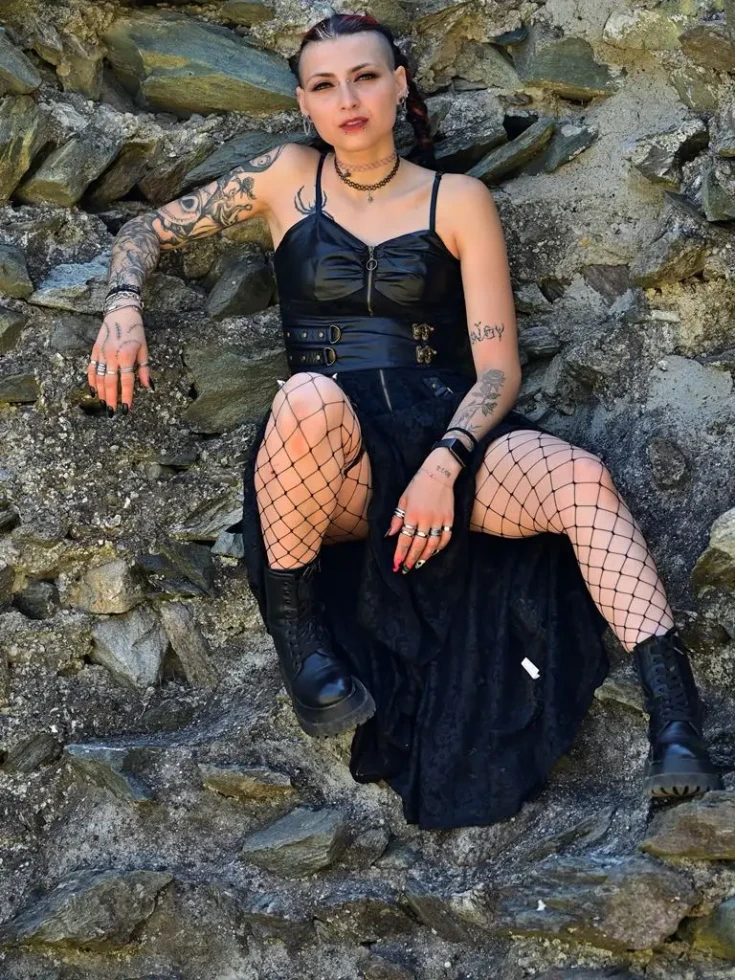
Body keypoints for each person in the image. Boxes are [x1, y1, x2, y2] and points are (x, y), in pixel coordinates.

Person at [88, 11, 722, 829]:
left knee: (579, 477)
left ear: (397, 85)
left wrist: (443, 463)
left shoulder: (458, 199)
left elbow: (497, 368)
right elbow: (146, 230)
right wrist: (123, 305)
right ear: (305, 104)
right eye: (325, 85)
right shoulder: (284, 178)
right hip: (331, 460)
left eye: (364, 77)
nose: (347, 99)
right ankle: (304, 651)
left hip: (445, 432)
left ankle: (676, 723)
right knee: (307, 395)